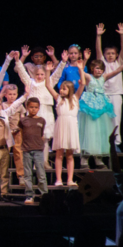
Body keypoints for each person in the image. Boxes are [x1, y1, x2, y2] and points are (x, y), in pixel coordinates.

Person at [78, 49, 123, 165]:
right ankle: (84, 158)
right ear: (92, 69)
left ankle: (98, 157)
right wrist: (84, 61)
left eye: (101, 69)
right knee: (89, 132)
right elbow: (81, 72)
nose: (99, 71)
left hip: (101, 107)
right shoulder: (89, 78)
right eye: (97, 68)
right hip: (90, 108)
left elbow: (118, 70)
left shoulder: (104, 78)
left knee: (99, 132)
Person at [44, 57, 86, 187]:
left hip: (71, 126)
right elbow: (47, 85)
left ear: (70, 90)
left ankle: (70, 179)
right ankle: (58, 179)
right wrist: (47, 72)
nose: (61, 91)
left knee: (69, 155)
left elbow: (83, 84)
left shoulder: (75, 98)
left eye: (64, 89)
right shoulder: (58, 98)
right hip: (61, 127)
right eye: (61, 88)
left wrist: (80, 69)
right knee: (59, 154)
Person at [95, 23, 123, 148]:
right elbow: (98, 50)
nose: (110, 55)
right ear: (105, 55)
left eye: (112, 53)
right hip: (103, 94)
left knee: (116, 117)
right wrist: (98, 36)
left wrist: (122, 35)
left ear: (116, 55)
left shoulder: (119, 63)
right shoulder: (102, 63)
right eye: (108, 53)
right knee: (103, 118)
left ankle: (116, 142)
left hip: (116, 94)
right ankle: (104, 141)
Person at [18, 97, 49, 203]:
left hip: (38, 150)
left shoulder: (41, 120)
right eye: (31, 107)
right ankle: (29, 195)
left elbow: (40, 134)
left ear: (39, 108)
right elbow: (22, 133)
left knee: (41, 173)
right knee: (27, 174)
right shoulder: (23, 120)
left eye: (36, 107)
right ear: (27, 107)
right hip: (27, 150)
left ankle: (44, 195)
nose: (33, 109)